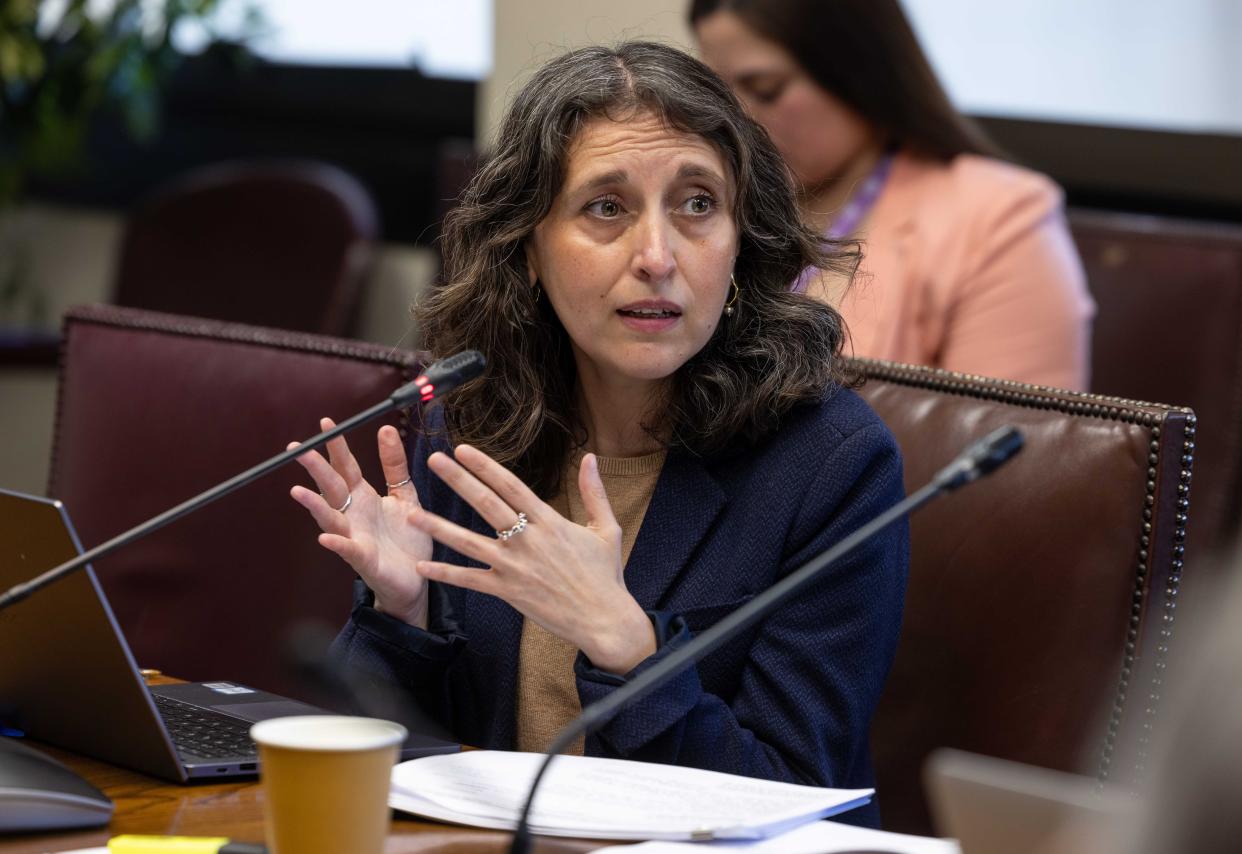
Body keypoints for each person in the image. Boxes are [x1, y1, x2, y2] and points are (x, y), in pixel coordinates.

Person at [289, 41, 908, 828]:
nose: (657, 257)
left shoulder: (831, 465)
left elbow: (793, 798)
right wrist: (399, 615)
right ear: (528, 247)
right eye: (607, 208)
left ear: (741, 239)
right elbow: (406, 779)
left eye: (697, 205)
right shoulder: (471, 427)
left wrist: (627, 646)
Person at [691, 0, 1095, 390]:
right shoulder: (709, 203)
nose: (736, 121)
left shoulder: (999, 219)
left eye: (766, 89)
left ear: (859, 71)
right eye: (719, 94)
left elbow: (1008, 433)